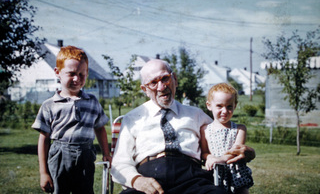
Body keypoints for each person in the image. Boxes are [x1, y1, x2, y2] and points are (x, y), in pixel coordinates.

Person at [111, 59, 255, 194]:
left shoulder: (196, 114)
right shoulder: (132, 119)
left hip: (191, 177)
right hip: (148, 177)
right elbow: (119, 164)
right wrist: (137, 181)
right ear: (145, 89)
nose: (161, 87)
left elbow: (226, 136)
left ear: (175, 79)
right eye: (153, 83)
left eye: (165, 78)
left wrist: (248, 152)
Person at [32, 46, 112, 194]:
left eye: (82, 74)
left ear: (87, 73)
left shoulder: (92, 101)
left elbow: (100, 128)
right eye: (72, 73)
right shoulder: (50, 105)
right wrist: (44, 173)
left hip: (86, 155)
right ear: (58, 73)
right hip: (60, 155)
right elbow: (43, 139)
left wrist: (106, 152)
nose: (77, 79)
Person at [200, 83, 254, 194]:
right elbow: (204, 152)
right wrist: (210, 157)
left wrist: (220, 159)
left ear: (235, 105)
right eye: (219, 106)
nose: (224, 111)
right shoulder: (204, 130)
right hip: (215, 172)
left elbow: (235, 152)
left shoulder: (239, 129)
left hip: (236, 173)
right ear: (209, 106)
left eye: (229, 106)